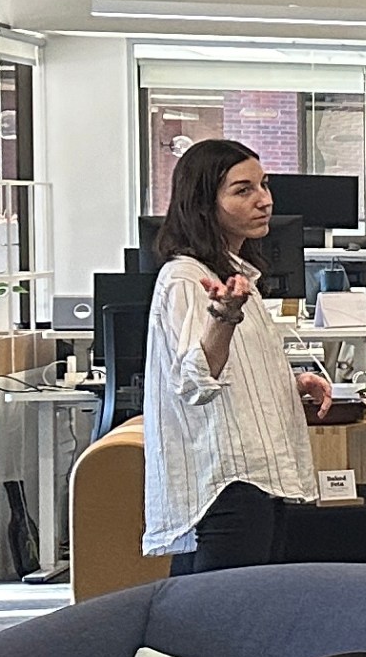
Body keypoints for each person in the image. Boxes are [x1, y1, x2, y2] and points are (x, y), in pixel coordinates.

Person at [140, 135, 330, 570]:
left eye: (263, 186)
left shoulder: (235, 274)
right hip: (227, 479)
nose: (263, 201)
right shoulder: (187, 278)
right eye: (243, 190)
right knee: (221, 620)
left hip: (255, 475)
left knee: (249, 613)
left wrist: (290, 383)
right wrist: (224, 316)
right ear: (204, 205)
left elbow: (234, 371)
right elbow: (194, 379)